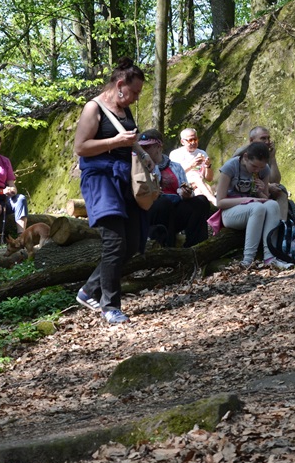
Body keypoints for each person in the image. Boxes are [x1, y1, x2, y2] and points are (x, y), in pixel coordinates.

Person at [72, 58, 146, 324]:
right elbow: (81, 147)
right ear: (120, 84)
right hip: (101, 180)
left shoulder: (126, 110)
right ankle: (110, 306)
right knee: (114, 242)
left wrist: (144, 156)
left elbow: (127, 143)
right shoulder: (94, 108)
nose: (136, 97)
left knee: (133, 242)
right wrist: (115, 141)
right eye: (134, 92)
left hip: (125, 180)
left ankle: (89, 290)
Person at [214, 141, 293, 270]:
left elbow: (265, 199)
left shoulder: (264, 170)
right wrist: (249, 200)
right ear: (246, 157)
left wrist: (260, 191)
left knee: (273, 204)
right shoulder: (231, 166)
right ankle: (248, 260)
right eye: (254, 166)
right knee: (257, 207)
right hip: (230, 212)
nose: (257, 170)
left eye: (261, 167)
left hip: (254, 208)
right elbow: (220, 202)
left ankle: (270, 257)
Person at [138, 129, 211, 248]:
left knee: (201, 201)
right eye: (141, 147)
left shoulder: (175, 167)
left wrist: (187, 194)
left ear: (159, 146)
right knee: (163, 203)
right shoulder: (139, 167)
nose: (143, 151)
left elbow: (185, 188)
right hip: (152, 213)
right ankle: (167, 247)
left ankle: (196, 248)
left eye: (147, 147)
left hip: (175, 210)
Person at [234, 126, 289, 220]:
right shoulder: (243, 154)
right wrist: (268, 186)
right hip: (242, 191)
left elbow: (275, 180)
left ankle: (281, 223)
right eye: (263, 138)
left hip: (261, 190)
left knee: (281, 190)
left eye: (268, 138)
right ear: (251, 140)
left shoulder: (265, 155)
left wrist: (272, 158)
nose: (267, 142)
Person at [169, 127, 217, 205]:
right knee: (196, 177)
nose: (193, 142)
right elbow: (175, 174)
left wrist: (208, 166)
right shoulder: (175, 154)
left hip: (199, 186)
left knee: (202, 193)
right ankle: (212, 199)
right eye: (190, 140)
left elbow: (209, 178)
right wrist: (191, 165)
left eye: (195, 139)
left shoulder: (202, 153)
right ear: (182, 141)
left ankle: (211, 205)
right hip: (183, 187)